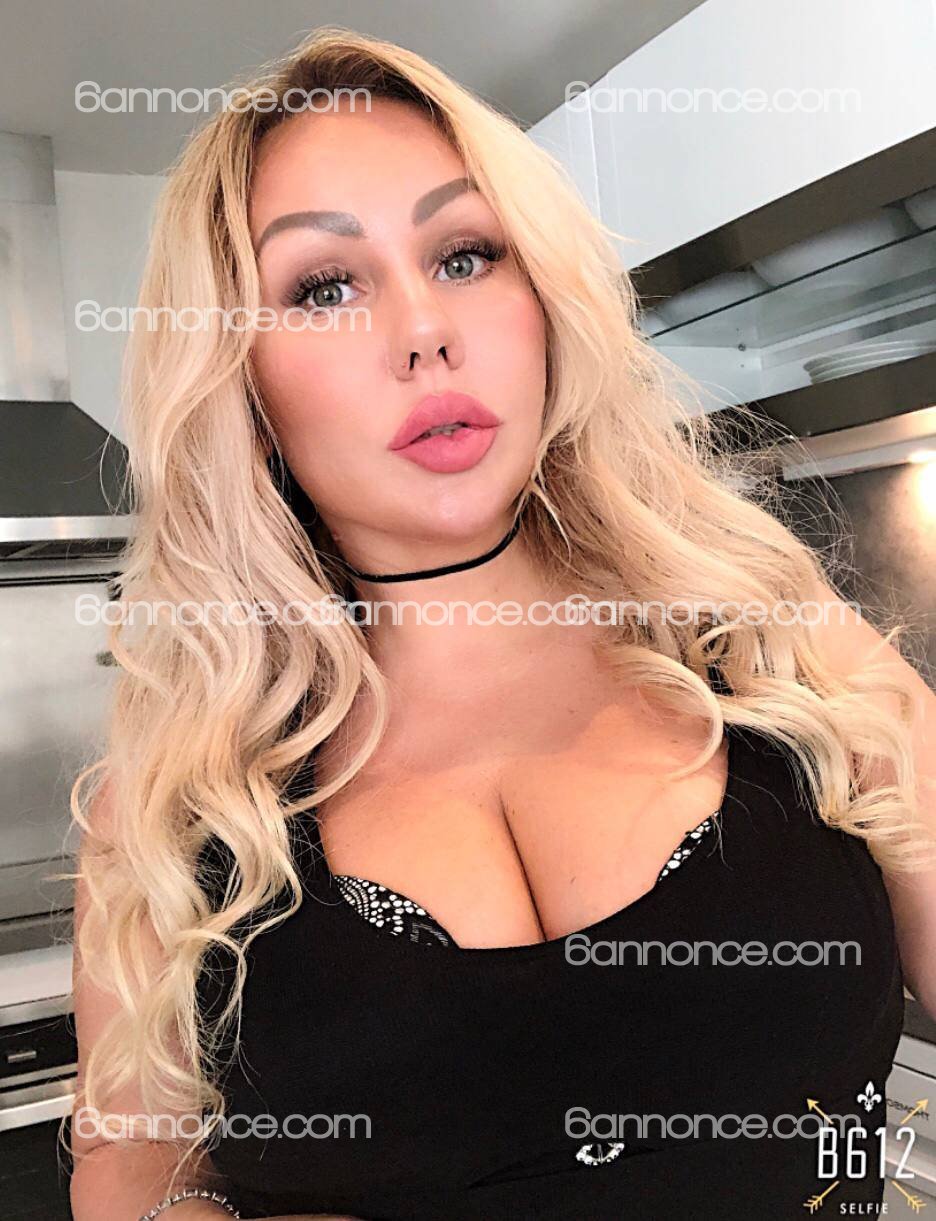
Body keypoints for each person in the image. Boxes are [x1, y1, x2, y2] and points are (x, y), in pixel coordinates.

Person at [66, 26, 936, 1221]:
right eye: (325, 287)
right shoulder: (172, 809)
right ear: (241, 386)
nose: (425, 330)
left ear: (545, 307)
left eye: (466, 254)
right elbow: (133, 1168)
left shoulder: (776, 641)